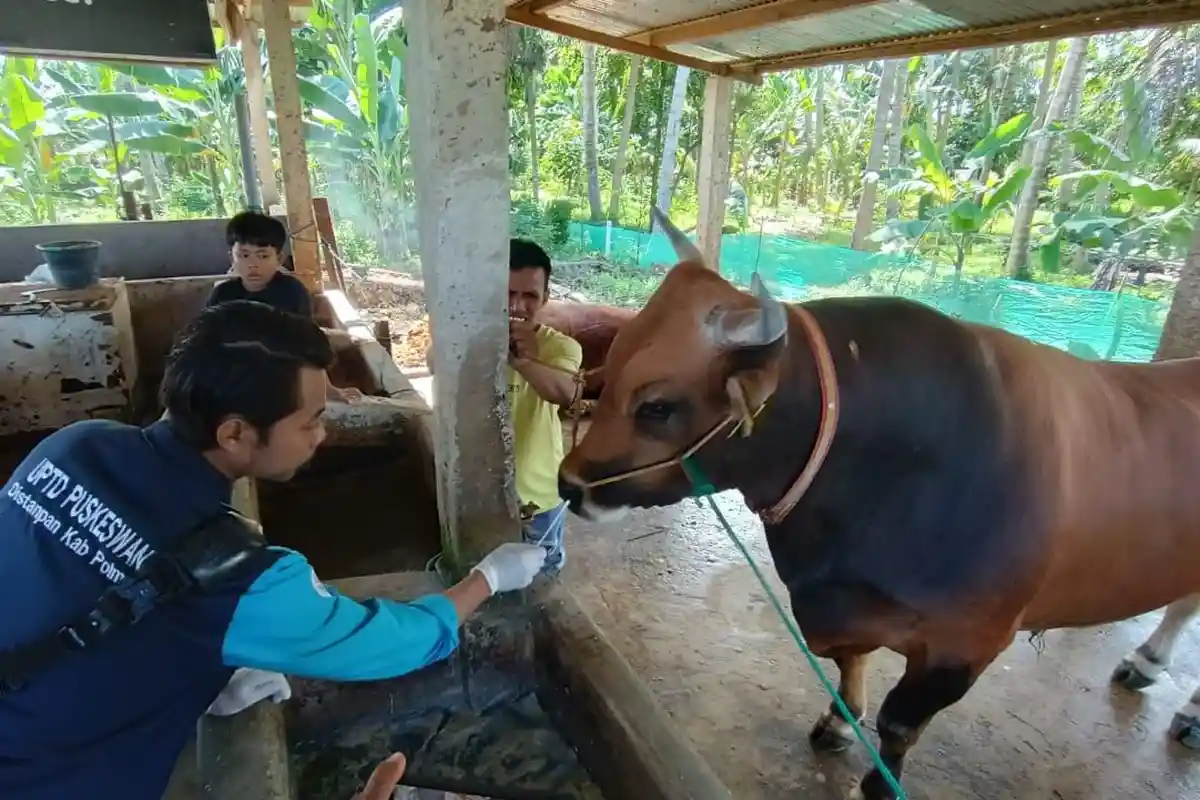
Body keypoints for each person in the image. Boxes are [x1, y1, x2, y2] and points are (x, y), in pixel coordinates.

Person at [0, 300, 548, 800]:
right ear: (235, 434)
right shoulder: (237, 576)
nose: (321, 436)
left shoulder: (71, 447)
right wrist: (488, 578)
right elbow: (392, 643)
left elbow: (60, 584)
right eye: (310, 421)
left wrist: (193, 670)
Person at [426, 239, 582, 574]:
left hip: (537, 495)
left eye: (530, 296)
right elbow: (434, 364)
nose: (516, 305)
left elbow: (566, 393)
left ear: (546, 298)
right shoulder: (467, 338)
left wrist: (525, 361)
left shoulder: (560, 347)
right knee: (476, 567)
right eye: (506, 294)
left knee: (541, 574)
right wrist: (474, 339)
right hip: (474, 487)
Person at [206, 210, 360, 403]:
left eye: (263, 256)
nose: (253, 264)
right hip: (235, 378)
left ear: (279, 258)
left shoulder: (292, 292)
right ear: (232, 258)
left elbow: (308, 343)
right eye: (244, 255)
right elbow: (206, 344)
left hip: (282, 377)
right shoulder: (222, 294)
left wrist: (328, 390)